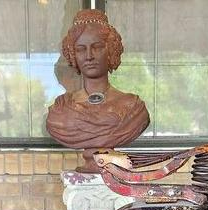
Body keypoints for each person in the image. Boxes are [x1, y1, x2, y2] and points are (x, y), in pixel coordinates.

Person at [46, 9, 149, 173]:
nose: (89, 56)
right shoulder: (60, 110)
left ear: (111, 50)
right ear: (73, 55)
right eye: (81, 49)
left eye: (97, 47)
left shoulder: (133, 108)